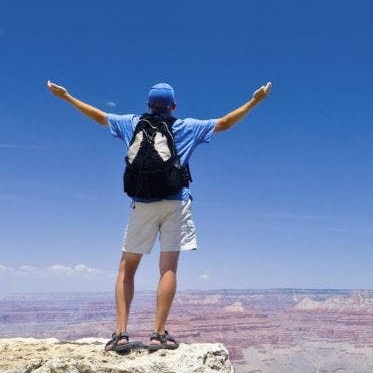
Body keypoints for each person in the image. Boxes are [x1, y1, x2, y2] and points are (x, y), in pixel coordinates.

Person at [46, 79, 272, 353]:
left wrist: (67, 96)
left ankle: (120, 334)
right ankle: (158, 334)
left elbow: (100, 117)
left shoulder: (131, 123)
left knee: (126, 268)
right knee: (168, 268)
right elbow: (224, 123)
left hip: (142, 204)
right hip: (176, 203)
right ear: (173, 106)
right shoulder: (186, 126)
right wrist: (256, 100)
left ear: (148, 105)